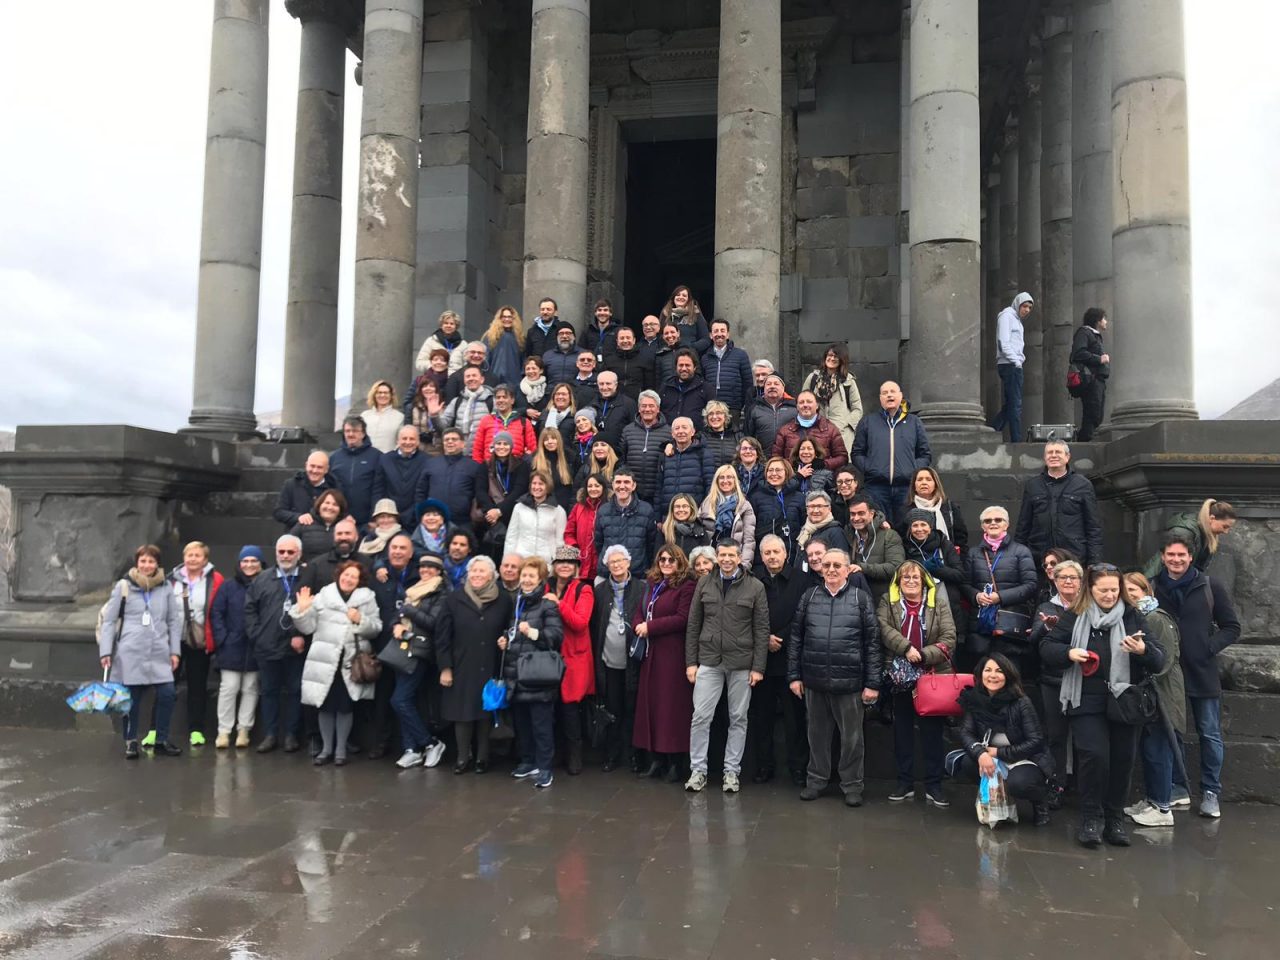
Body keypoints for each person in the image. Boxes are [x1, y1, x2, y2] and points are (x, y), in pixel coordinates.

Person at [1041, 563, 1164, 847]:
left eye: (1114, 590)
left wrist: (1143, 650)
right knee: (1094, 757)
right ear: (1091, 590)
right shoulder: (1075, 615)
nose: (1110, 595)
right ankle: (1090, 818)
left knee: (1122, 759)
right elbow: (1047, 648)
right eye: (1103, 590)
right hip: (1085, 698)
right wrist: (1068, 652)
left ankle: (1115, 818)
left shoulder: (1132, 616)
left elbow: (1159, 659)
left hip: (1124, 701)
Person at [1151, 533, 1241, 819]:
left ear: (1190, 557)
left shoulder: (1209, 585)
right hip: (1168, 673)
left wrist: (1208, 648)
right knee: (1172, 732)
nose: (1176, 560)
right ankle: (1178, 787)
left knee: (1210, 734)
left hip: (1202, 671)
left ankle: (1211, 791)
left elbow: (1231, 626)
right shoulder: (1152, 587)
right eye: (1170, 555)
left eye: (1181, 555)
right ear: (1162, 557)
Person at [789, 548, 881, 806]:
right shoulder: (809, 597)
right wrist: (794, 676)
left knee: (852, 739)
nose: (830, 569)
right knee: (816, 735)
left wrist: (872, 683)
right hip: (814, 681)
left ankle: (852, 785)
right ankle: (816, 780)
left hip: (849, 683)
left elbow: (873, 643)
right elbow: (796, 639)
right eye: (826, 565)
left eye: (836, 565)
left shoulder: (860, 599)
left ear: (847, 569)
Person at [683, 540, 769, 794]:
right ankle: (697, 770)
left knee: (738, 718)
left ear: (740, 557)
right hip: (709, 660)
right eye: (723, 555)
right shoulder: (704, 582)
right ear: (717, 557)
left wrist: (758, 667)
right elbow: (693, 624)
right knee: (700, 717)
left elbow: (762, 629)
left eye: (732, 555)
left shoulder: (755, 586)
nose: (727, 559)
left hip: (742, 662)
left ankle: (732, 772)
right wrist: (691, 662)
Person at [879, 561, 957, 806]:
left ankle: (934, 785)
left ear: (924, 581)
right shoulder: (887, 602)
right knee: (902, 732)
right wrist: (906, 648)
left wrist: (923, 655)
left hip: (930, 676)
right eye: (905, 578)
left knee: (932, 733)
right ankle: (905, 783)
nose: (911, 581)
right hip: (900, 676)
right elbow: (883, 629)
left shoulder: (939, 604)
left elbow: (949, 637)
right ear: (898, 582)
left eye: (915, 578)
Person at [291, 561, 382, 766]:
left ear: (359, 581)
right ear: (339, 575)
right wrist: (302, 610)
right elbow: (307, 628)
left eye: (353, 577)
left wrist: (360, 619)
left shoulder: (367, 598)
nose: (348, 579)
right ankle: (326, 748)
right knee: (324, 706)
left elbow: (376, 628)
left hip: (350, 662)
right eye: (346, 574)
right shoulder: (324, 596)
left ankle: (340, 750)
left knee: (344, 707)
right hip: (325, 659)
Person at [98, 544, 183, 758]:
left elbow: (173, 621)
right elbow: (109, 621)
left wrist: (175, 651)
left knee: (167, 694)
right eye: (143, 561)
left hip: (159, 651)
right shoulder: (123, 587)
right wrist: (106, 651)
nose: (147, 565)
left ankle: (161, 739)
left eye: (151, 561)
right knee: (131, 700)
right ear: (137, 563)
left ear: (157, 564)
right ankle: (131, 740)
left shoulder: (165, 588)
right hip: (131, 652)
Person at [951, 653, 1054, 826]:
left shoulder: (1021, 702)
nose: (992, 675)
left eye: (999, 671)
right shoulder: (974, 699)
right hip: (990, 754)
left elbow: (1035, 741)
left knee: (1020, 783)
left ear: (1008, 675)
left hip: (1023, 758)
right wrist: (981, 753)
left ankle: (1040, 801)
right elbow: (966, 732)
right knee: (968, 763)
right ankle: (997, 798)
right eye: (988, 670)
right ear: (980, 673)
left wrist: (999, 752)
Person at [437, 556, 512, 773]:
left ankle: (482, 757)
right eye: (474, 571)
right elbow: (442, 636)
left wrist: (506, 639)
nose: (477, 575)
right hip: (462, 665)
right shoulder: (454, 599)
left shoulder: (503, 599)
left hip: (491, 663)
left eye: (482, 571)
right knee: (463, 714)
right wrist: (445, 667)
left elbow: (509, 627)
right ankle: (462, 757)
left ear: (492, 576)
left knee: (486, 713)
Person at [1121, 571, 1184, 828]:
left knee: (1159, 749)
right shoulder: (1140, 618)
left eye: (1135, 591)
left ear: (1146, 591)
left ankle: (1162, 805)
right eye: (1127, 593)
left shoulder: (1156, 618)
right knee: (1150, 749)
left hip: (1163, 695)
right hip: (1150, 695)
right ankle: (1152, 799)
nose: (1131, 597)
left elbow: (1164, 661)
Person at [632, 546, 698, 781]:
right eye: (662, 559)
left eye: (671, 559)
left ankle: (675, 762)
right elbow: (641, 610)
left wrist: (651, 627)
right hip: (651, 654)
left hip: (672, 654)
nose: (666, 563)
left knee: (672, 710)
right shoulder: (652, 583)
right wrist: (639, 623)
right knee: (652, 707)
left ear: (679, 562)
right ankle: (656, 759)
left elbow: (683, 618)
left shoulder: (687, 586)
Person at [500, 556, 564, 788]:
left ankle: (545, 767)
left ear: (540, 579)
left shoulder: (548, 605)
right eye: (524, 575)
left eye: (531, 576)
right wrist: (506, 640)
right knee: (522, 723)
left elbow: (556, 637)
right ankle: (528, 761)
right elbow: (513, 633)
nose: (526, 580)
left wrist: (533, 633)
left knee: (542, 725)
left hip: (538, 676)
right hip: (516, 673)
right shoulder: (516, 603)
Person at [750, 535, 809, 785]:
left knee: (794, 720)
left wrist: (779, 638)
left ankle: (798, 768)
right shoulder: (752, 580)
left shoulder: (801, 580)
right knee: (761, 718)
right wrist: (764, 639)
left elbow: (803, 616)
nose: (772, 557)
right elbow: (743, 614)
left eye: (776, 552)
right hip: (760, 661)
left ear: (786, 553)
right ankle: (764, 766)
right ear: (761, 556)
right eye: (767, 553)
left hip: (790, 659)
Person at [244, 535, 311, 754]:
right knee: (269, 691)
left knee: (295, 691)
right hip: (267, 646)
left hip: (296, 646)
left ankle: (291, 735)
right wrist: (257, 634)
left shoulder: (307, 578)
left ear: (299, 554)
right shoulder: (262, 579)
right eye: (281, 551)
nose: (285, 556)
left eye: (290, 552)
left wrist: (300, 634)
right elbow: (250, 609)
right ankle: (271, 734)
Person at [1026, 559, 1083, 806]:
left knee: (1084, 739)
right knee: (1056, 736)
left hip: (1083, 680)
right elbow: (1034, 642)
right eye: (1063, 578)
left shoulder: (1088, 606)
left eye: (1073, 577)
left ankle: (1083, 787)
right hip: (1052, 680)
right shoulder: (1047, 606)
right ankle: (1057, 784)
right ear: (1055, 581)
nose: (1068, 581)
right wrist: (1046, 628)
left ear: (1081, 582)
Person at [388, 552, 450, 770]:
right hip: (402, 648)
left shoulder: (441, 593)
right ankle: (411, 749)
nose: (425, 571)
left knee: (399, 700)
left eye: (430, 568)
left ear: (439, 571)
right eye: (423, 567)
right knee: (407, 700)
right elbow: (398, 615)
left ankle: (430, 743)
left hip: (421, 651)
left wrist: (409, 611)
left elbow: (434, 622)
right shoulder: (413, 590)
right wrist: (396, 624)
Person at [962, 506, 1038, 674]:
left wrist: (1000, 597)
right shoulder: (973, 553)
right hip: (981, 626)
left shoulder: (1021, 551)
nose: (993, 523)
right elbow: (965, 584)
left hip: (1009, 627)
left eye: (998, 520)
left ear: (1007, 524)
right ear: (982, 526)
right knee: (981, 675)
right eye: (988, 521)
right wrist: (976, 595)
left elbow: (1031, 585)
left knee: (1010, 674)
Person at [591, 545, 647, 772]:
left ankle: (635, 756)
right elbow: (596, 625)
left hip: (634, 662)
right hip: (609, 662)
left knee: (633, 709)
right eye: (612, 562)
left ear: (628, 562)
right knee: (612, 710)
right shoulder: (600, 590)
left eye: (620, 560)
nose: (616, 565)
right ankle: (612, 754)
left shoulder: (642, 588)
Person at [167, 541, 224, 748]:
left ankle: (196, 730)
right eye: (189, 555)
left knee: (197, 687)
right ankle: (157, 729)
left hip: (199, 641)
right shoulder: (171, 580)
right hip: (173, 640)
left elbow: (218, 608)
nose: (192, 559)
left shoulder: (215, 579)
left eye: (197, 555)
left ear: (205, 559)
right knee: (166, 686)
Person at [851, 381, 932, 525]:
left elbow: (925, 454)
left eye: (892, 392)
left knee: (906, 528)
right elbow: (857, 452)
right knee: (878, 528)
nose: (889, 395)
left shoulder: (914, 422)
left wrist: (912, 470)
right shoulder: (868, 422)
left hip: (906, 487)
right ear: (880, 398)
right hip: (876, 487)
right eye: (885, 393)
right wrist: (870, 469)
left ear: (900, 396)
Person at [1015, 440, 1103, 568]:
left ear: (1067, 457)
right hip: (1040, 558)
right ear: (1045, 458)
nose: (1053, 455)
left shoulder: (1083, 485)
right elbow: (1023, 525)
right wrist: (1018, 558)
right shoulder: (1032, 485)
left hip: (1073, 557)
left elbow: (1093, 525)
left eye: (1058, 452)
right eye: (1050, 452)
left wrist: (1094, 561)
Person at [209, 545, 262, 749]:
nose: (249, 565)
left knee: (250, 688)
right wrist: (224, 638)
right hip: (232, 645)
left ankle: (244, 729)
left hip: (255, 646)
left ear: (260, 563)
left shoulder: (265, 583)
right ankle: (224, 731)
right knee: (229, 688)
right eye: (245, 561)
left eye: (253, 561)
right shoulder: (228, 586)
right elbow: (217, 613)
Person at [549, 546, 596, 775]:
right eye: (560, 562)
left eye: (569, 562)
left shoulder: (583, 590)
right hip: (549, 655)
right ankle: (557, 753)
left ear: (576, 567)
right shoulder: (545, 586)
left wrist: (558, 605)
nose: (564, 566)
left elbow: (579, 623)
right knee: (552, 707)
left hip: (573, 658)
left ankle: (575, 755)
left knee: (570, 709)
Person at [899, 508, 966, 631]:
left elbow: (960, 575)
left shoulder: (944, 545)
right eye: (915, 525)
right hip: (915, 603)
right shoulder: (904, 546)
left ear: (930, 527)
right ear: (910, 529)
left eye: (923, 524)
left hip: (946, 601)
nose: (919, 529)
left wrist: (937, 569)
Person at [1141, 498, 1238, 578]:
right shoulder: (1184, 533)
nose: (1226, 532)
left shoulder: (1204, 534)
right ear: (1212, 518)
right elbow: (1168, 566)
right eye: (1225, 526)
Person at [416, 429, 485, 533]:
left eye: (454, 439)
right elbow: (421, 491)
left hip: (463, 523)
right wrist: (421, 513)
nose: (450, 442)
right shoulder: (431, 464)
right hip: (434, 522)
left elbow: (480, 494)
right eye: (446, 439)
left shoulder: (473, 467)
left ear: (462, 444)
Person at [593, 469, 657, 578]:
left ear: (634, 486)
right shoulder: (603, 511)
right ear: (612, 485)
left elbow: (651, 544)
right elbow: (598, 543)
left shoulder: (646, 510)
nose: (622, 486)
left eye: (626, 482)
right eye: (618, 482)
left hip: (638, 574)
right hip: (608, 574)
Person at [802, 343, 863, 454]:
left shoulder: (848, 381)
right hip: (816, 433)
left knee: (841, 466)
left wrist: (847, 425)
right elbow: (802, 401)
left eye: (836, 356)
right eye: (829, 355)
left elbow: (857, 409)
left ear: (842, 360)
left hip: (842, 435)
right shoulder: (813, 379)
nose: (832, 358)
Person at [989, 291, 1033, 442]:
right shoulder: (1007, 316)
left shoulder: (1017, 321)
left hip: (1013, 364)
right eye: (1024, 306)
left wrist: (1020, 360)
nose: (1026, 310)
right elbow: (1003, 342)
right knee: (1016, 404)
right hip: (1009, 365)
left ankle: (993, 430)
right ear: (1017, 304)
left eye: (1029, 307)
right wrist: (1016, 361)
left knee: (1011, 404)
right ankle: (1016, 440)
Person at [846, 497, 905, 602]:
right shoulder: (848, 534)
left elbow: (896, 567)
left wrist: (863, 568)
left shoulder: (889, 535)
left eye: (861, 513)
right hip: (854, 600)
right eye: (852, 514)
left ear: (871, 514)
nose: (856, 518)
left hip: (883, 599)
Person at [772, 391, 848, 470]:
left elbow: (842, 458)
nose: (805, 405)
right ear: (797, 407)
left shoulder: (830, 429)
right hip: (793, 479)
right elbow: (775, 458)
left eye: (809, 402)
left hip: (822, 478)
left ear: (817, 405)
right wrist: (791, 465)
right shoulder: (785, 430)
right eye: (801, 402)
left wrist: (824, 464)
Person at [475, 432, 531, 540]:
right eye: (498, 443)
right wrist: (491, 512)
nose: (502, 447)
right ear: (494, 446)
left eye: (505, 444)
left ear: (511, 446)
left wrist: (499, 511)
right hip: (489, 517)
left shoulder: (521, 465)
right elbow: (480, 490)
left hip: (513, 514)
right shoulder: (485, 466)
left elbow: (519, 491)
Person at [699, 465, 758, 567]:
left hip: (733, 559)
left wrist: (744, 565)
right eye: (722, 477)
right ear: (716, 481)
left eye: (729, 477)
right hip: (710, 559)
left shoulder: (744, 505)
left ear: (735, 480)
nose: (725, 480)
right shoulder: (707, 503)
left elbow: (749, 540)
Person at [618, 391, 671, 504]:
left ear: (658, 409)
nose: (647, 409)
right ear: (638, 408)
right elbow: (622, 459)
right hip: (633, 492)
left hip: (658, 491)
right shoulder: (628, 430)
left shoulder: (669, 432)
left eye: (651, 406)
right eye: (644, 406)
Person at [900, 466, 968, 553]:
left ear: (935, 484)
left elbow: (961, 536)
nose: (924, 482)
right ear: (914, 486)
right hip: (917, 559)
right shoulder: (905, 510)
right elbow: (901, 538)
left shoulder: (949, 507)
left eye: (928, 479)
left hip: (947, 558)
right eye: (920, 479)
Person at [372, 425, 430, 526]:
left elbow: (425, 492)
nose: (408, 442)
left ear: (418, 442)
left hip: (415, 518)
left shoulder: (427, 461)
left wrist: (414, 513)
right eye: (404, 438)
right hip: (388, 518)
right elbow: (378, 489)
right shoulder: (385, 459)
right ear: (397, 441)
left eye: (412, 439)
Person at [505, 471, 567, 565]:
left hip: (546, 563)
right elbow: (511, 537)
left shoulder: (558, 511)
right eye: (534, 483)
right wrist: (508, 562)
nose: (537, 487)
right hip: (522, 560)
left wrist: (557, 564)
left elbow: (560, 541)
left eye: (541, 484)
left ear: (548, 486)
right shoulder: (519, 507)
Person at [655, 416, 713, 515]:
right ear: (672, 434)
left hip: (695, 514)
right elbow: (659, 488)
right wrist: (658, 517)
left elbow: (710, 486)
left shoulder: (703, 454)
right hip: (669, 515)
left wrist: (705, 512)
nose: (681, 431)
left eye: (684, 427)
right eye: (677, 428)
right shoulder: (665, 455)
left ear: (693, 431)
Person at [750, 457, 804, 564]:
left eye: (778, 470)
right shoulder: (756, 497)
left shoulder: (800, 497)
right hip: (763, 559)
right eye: (770, 470)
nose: (774, 473)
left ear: (787, 472)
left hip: (792, 557)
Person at [329, 415, 379, 527]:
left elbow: (379, 489)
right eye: (347, 431)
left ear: (363, 433)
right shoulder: (334, 458)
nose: (351, 434)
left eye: (355, 431)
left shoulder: (377, 457)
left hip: (367, 521)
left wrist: (374, 517)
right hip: (339, 519)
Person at [1071, 307, 1110, 441]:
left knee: (1097, 415)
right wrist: (1099, 358)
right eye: (1104, 318)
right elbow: (1078, 353)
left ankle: (1085, 440)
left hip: (1098, 380)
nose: (1106, 322)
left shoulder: (1095, 336)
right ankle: (1084, 443)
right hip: (1090, 380)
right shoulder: (1084, 333)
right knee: (1092, 414)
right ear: (1097, 320)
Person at [700, 319, 753, 417]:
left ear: (728, 334)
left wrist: (740, 405)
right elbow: (702, 383)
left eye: (722, 331)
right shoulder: (705, 358)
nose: (719, 334)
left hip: (733, 408)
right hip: (711, 408)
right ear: (711, 335)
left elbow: (748, 383)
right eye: (716, 331)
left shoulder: (740, 355)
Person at [470, 384, 536, 462]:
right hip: (490, 469)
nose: (501, 400)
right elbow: (477, 449)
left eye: (504, 397)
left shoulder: (524, 422)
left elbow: (532, 450)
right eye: (498, 397)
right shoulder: (486, 420)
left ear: (512, 400)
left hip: (516, 469)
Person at [440, 367, 496, 458]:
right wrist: (434, 415)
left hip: (482, 456)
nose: (471, 378)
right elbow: (443, 426)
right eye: (468, 376)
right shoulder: (456, 402)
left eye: (474, 375)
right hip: (459, 455)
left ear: (482, 379)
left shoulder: (492, 401)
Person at [273, 450, 339, 529]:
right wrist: (298, 517)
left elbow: (341, 513)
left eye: (319, 467)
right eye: (312, 466)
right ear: (306, 465)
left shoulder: (335, 487)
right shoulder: (291, 485)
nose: (314, 470)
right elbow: (279, 512)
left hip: (323, 535)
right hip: (296, 534)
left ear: (326, 469)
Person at [659, 349, 713, 431]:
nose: (684, 368)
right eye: (680, 365)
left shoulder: (706, 388)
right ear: (676, 367)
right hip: (668, 436)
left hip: (696, 438)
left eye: (687, 365)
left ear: (694, 367)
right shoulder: (665, 387)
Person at [745, 374, 798, 455]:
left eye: (776, 384)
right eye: (768, 384)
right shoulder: (754, 408)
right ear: (764, 388)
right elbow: (748, 436)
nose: (772, 387)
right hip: (762, 458)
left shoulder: (794, 408)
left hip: (788, 458)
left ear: (783, 388)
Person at [290, 489, 347, 561]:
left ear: (340, 509)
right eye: (327, 503)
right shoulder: (305, 523)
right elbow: (288, 546)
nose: (330, 507)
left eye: (335, 504)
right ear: (319, 505)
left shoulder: (345, 527)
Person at [531, 426, 576, 512]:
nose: (550, 442)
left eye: (553, 438)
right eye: (546, 439)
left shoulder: (570, 457)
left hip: (565, 507)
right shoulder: (534, 460)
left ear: (558, 440)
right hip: (542, 507)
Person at [603, 326, 655, 400]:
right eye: (622, 338)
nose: (625, 341)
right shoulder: (609, 360)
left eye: (628, 338)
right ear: (617, 341)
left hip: (637, 401)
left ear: (634, 340)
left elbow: (649, 385)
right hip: (614, 402)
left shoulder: (644, 359)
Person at [592, 370, 637, 451]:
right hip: (598, 452)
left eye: (608, 384)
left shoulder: (628, 403)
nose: (605, 387)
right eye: (601, 384)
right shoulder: (593, 402)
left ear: (616, 385)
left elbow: (634, 430)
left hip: (619, 451)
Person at [797, 490, 852, 554]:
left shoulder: (836, 533)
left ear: (829, 509)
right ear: (806, 509)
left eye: (820, 506)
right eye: (812, 506)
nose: (816, 510)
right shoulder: (805, 531)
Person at [482, 305, 526, 386]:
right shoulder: (490, 336)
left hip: (514, 381)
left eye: (510, 317)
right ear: (499, 318)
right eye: (504, 317)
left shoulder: (520, 338)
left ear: (514, 319)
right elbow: (485, 359)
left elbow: (523, 360)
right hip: (494, 381)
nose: (507, 319)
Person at [662, 493, 714, 558]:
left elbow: (705, 559)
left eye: (685, 506)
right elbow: (658, 558)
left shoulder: (700, 531)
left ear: (691, 508)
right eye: (677, 507)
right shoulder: (664, 531)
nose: (681, 509)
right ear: (672, 510)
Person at [415, 309, 466, 374]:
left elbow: (466, 365)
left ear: (456, 326)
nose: (448, 325)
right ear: (441, 325)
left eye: (452, 324)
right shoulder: (431, 341)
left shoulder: (463, 344)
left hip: (455, 381)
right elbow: (419, 363)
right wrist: (436, 367)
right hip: (434, 380)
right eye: (446, 323)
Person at [360, 380, 405, 453]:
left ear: (391, 396)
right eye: (379, 392)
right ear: (374, 395)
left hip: (388, 459)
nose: (383, 395)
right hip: (366, 459)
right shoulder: (364, 416)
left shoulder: (399, 417)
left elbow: (400, 442)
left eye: (386, 393)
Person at [699, 400, 741, 468]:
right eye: (711, 414)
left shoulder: (737, 436)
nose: (714, 417)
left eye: (718, 413)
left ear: (725, 416)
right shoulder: (701, 437)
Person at [518, 356, 551, 424]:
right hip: (523, 426)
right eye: (528, 369)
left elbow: (553, 409)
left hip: (542, 427)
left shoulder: (548, 389)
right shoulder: (517, 389)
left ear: (541, 370)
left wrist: (542, 415)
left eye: (534, 368)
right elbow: (511, 410)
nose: (530, 371)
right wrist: (525, 411)